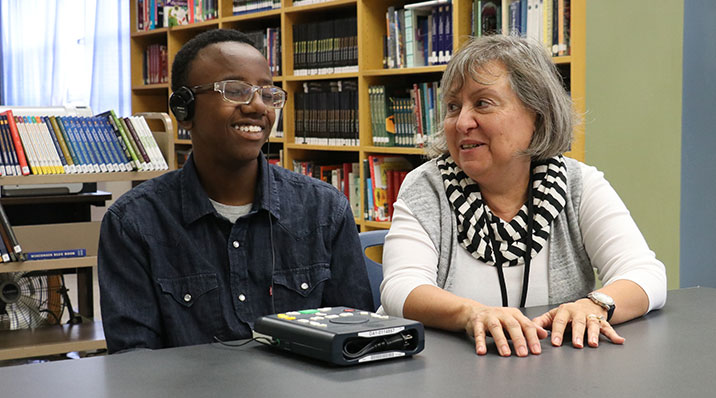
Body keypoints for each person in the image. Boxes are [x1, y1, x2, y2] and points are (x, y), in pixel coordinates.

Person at [380, 35, 667, 357]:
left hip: (555, 372)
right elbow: (400, 290)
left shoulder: (578, 184)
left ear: (537, 112)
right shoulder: (426, 186)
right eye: (453, 107)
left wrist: (596, 305)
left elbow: (646, 273)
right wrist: (473, 314)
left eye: (483, 103)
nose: (462, 122)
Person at [98, 29, 373, 353]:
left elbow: (357, 341)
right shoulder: (134, 224)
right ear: (184, 109)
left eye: (267, 93)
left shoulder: (325, 210)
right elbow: (135, 363)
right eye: (235, 90)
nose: (258, 106)